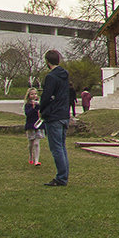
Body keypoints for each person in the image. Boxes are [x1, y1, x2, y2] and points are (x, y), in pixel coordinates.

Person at [39, 49, 71, 187]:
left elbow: (46, 96)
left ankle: (61, 177)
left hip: (54, 116)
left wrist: (42, 110)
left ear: (47, 61)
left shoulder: (51, 77)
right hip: (64, 114)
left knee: (56, 148)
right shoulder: (65, 75)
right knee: (62, 147)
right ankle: (63, 175)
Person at [24, 87, 43, 167]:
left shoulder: (39, 104)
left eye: (35, 94)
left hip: (38, 125)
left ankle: (36, 160)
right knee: (31, 143)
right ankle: (31, 156)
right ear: (28, 95)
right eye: (32, 94)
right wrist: (33, 107)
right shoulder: (27, 105)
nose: (34, 95)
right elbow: (28, 114)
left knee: (36, 143)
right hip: (30, 125)